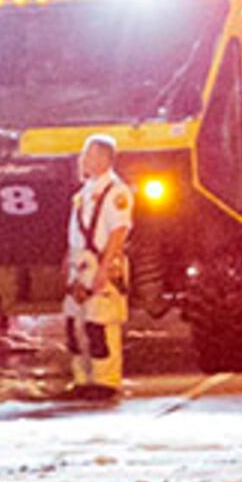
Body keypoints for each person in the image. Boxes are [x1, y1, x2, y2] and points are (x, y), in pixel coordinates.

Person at [64, 134, 137, 399]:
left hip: (101, 262)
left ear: (105, 159)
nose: (84, 159)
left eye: (90, 154)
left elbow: (119, 232)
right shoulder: (84, 192)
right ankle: (82, 380)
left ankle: (106, 382)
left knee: (100, 327)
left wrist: (105, 269)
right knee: (76, 327)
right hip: (80, 264)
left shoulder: (116, 192)